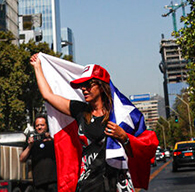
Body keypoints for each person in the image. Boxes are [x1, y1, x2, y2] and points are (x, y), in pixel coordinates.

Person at [30, 53, 136, 192]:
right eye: (81, 86)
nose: (84, 89)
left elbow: (135, 154)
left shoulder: (118, 115)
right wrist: (38, 67)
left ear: (101, 86)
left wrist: (124, 138)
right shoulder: (80, 110)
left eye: (88, 85)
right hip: (88, 184)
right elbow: (48, 95)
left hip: (114, 183)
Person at [19, 116, 58, 192]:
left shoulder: (54, 140)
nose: (40, 127)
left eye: (42, 125)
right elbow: (21, 159)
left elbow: (63, 150)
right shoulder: (32, 142)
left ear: (47, 126)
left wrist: (52, 139)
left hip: (53, 181)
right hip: (39, 183)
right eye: (37, 125)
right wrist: (30, 145)